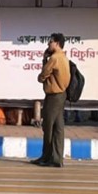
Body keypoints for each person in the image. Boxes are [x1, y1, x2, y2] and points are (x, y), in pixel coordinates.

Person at [30, 33, 71, 168]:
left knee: (47, 126)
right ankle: (57, 158)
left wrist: (44, 59)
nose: (48, 44)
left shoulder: (54, 58)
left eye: (50, 42)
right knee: (58, 128)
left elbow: (43, 75)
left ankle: (46, 157)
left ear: (57, 43)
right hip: (61, 95)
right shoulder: (63, 57)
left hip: (54, 96)